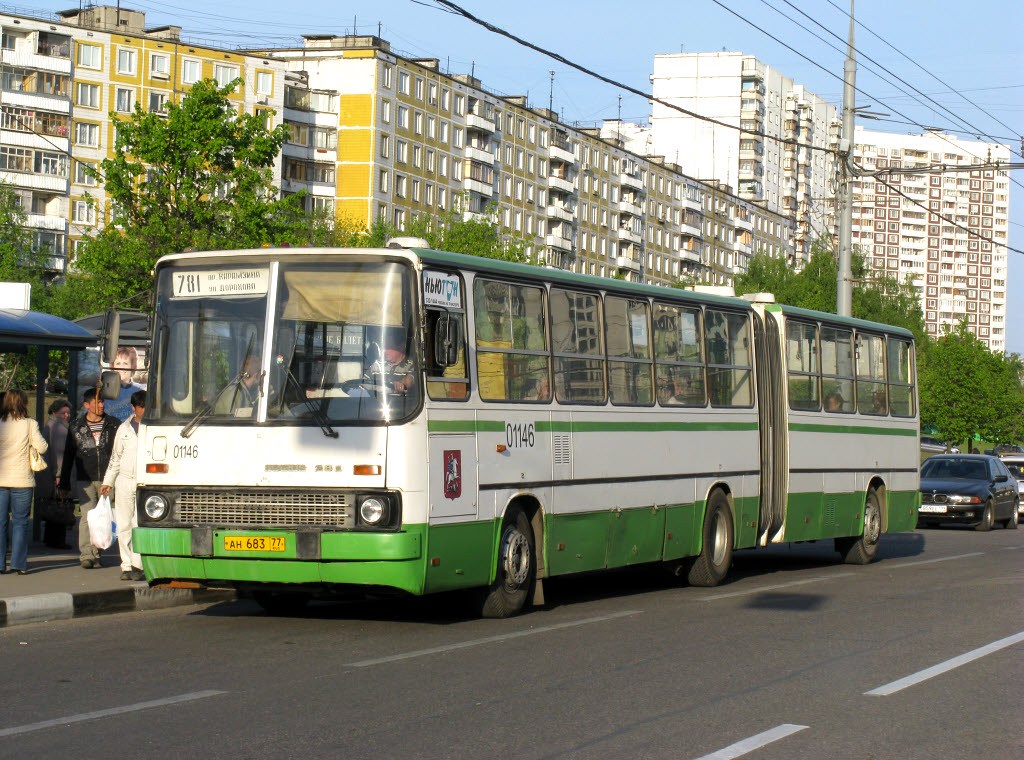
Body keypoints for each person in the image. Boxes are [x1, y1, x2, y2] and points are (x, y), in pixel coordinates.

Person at [58, 388, 120, 569]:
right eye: (97, 402)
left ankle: (97, 552)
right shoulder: (76, 427)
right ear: (86, 405)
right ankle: (86, 554)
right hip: (85, 478)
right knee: (87, 516)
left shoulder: (113, 424)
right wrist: (64, 482)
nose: (101, 405)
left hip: (107, 478)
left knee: (103, 517)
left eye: (102, 402)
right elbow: (69, 455)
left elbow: (118, 453)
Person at [0, 389, 48, 575]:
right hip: (22, 480)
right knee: (20, 523)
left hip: (1, 480)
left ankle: (0, 564)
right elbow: (42, 447)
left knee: (1, 522)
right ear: (24, 403)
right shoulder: (29, 424)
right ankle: (19, 564)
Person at [101, 391, 146, 581]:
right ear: (133, 408)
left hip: (144, 482)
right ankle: (126, 565)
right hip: (125, 481)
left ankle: (138, 565)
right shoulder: (124, 428)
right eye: (141, 406)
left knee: (139, 524)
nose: (144, 410)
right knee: (124, 524)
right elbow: (115, 457)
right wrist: (108, 481)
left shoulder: (153, 428)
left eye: (147, 406)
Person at [39, 399, 73, 549]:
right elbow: (58, 455)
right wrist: (59, 475)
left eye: (68, 413)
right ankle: (58, 540)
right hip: (56, 474)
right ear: (54, 412)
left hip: (48, 473)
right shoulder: (58, 428)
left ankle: (50, 539)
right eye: (63, 413)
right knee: (60, 506)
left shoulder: (49, 425)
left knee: (53, 506)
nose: (66, 415)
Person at [105, 346, 144, 421]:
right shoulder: (105, 391)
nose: (121, 367)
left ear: (132, 366)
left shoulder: (141, 389)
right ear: (113, 366)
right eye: (118, 363)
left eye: (125, 363)